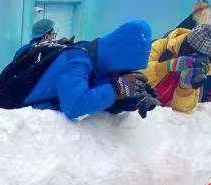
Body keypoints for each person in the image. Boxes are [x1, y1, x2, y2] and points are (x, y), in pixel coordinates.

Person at [20, 20, 153, 120]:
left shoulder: (94, 57)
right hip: (26, 120)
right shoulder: (78, 60)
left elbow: (91, 87)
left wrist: (123, 102)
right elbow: (73, 106)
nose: (126, 72)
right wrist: (117, 89)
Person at [143, 24, 211, 112]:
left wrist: (185, 88)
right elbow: (134, 75)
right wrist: (168, 65)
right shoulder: (161, 46)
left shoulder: (200, 70)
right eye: (192, 52)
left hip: (157, 118)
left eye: (202, 58)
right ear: (185, 43)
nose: (194, 59)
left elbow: (183, 110)